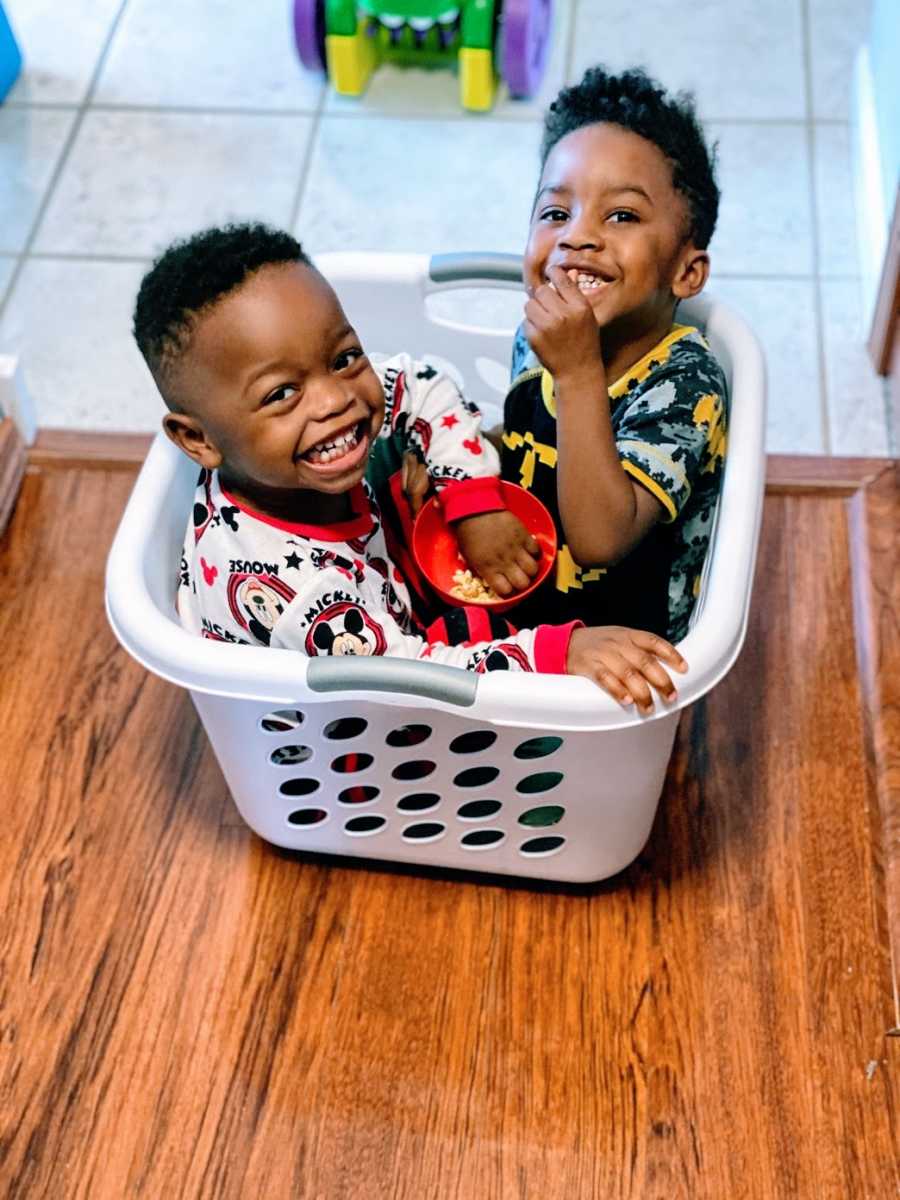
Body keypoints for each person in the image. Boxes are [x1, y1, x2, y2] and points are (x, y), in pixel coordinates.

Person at [132, 222, 687, 711]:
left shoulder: (288, 456)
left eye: (344, 358)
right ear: (198, 440)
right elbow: (417, 680)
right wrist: (559, 651)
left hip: (384, 601)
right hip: (353, 735)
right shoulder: (297, 592)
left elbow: (419, 385)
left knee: (412, 475)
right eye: (282, 394)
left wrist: (473, 504)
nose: (333, 400)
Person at [501, 65, 728, 642]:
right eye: (556, 213)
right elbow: (527, 449)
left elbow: (603, 539)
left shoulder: (687, 382)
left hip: (628, 643)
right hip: (528, 609)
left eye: (621, 215)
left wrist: (577, 371)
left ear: (686, 270)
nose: (578, 235)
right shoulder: (537, 335)